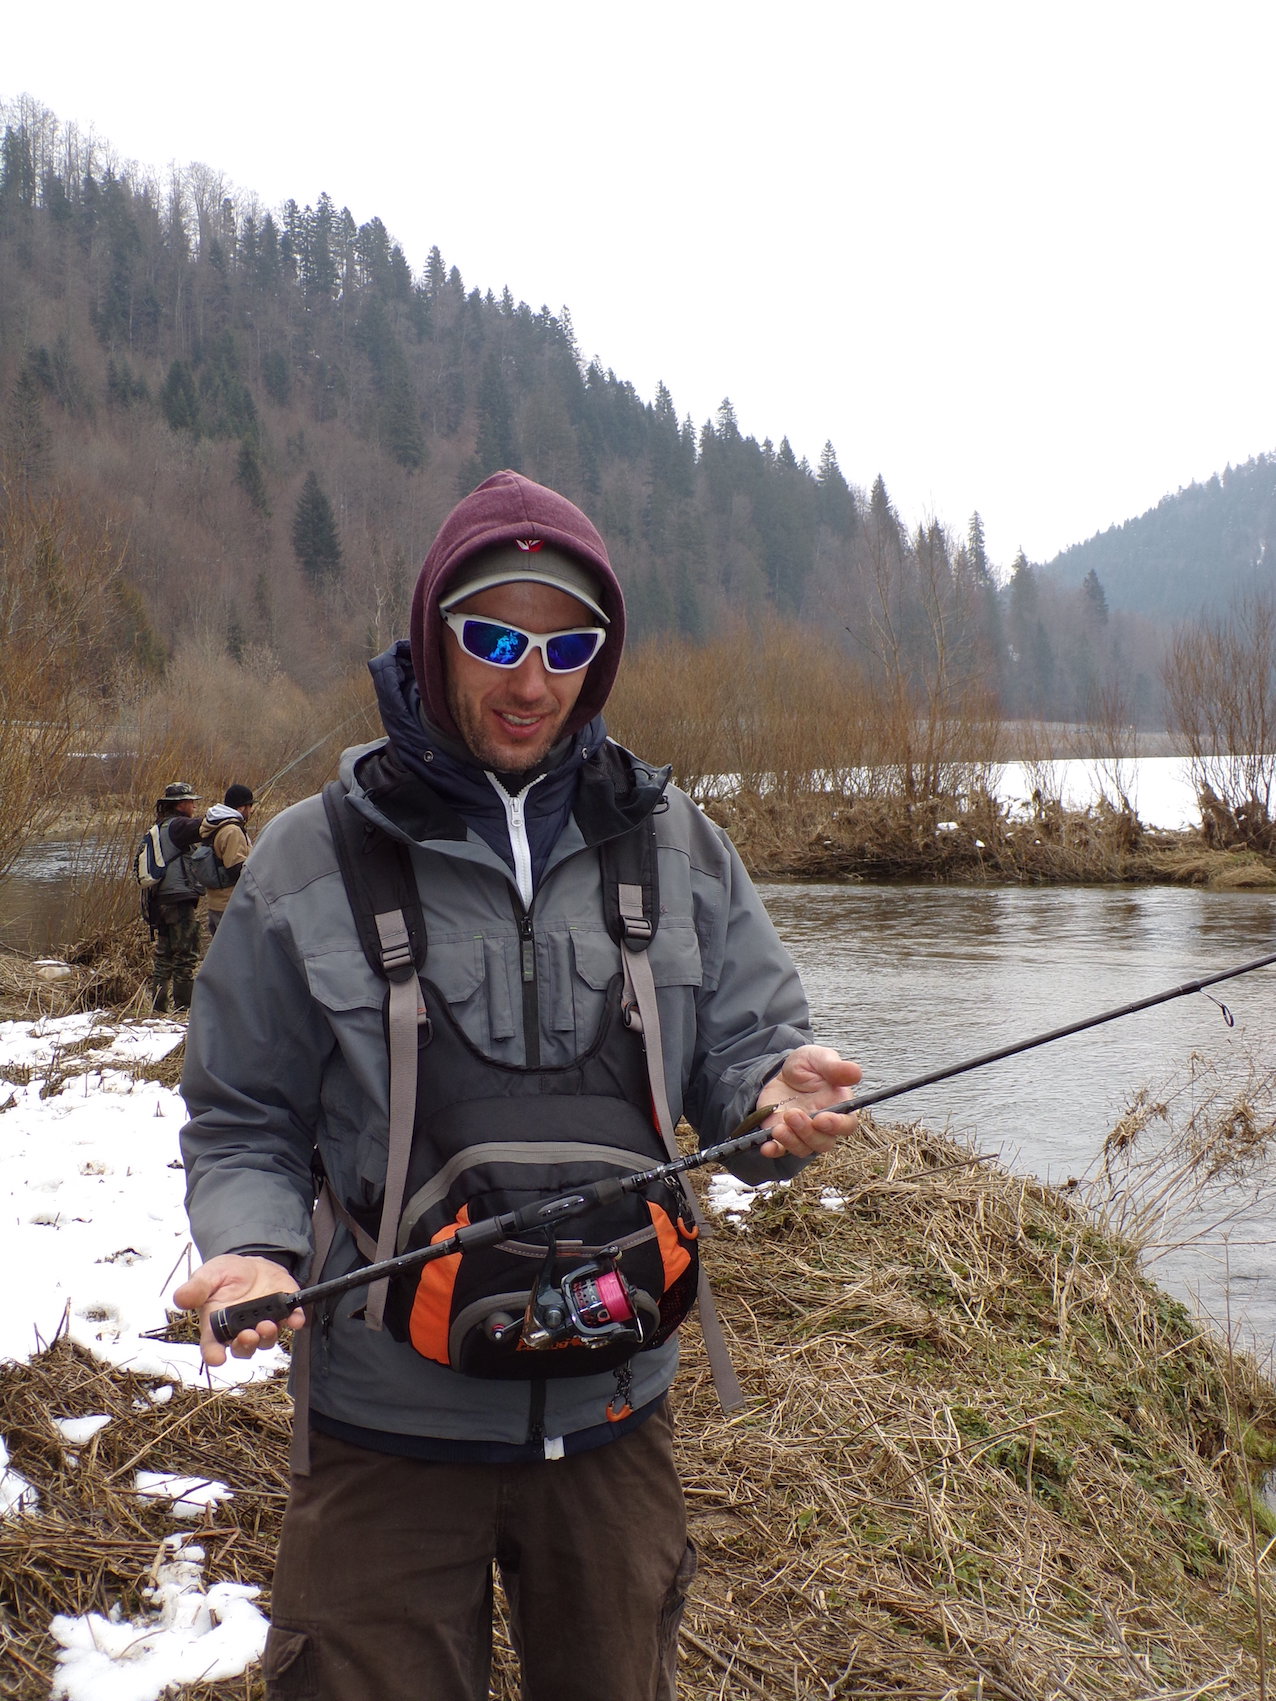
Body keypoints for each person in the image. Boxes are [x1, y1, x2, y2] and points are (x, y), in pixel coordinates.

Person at [175, 470, 862, 1701]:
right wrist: (251, 1250)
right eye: (494, 639)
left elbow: (745, 1055)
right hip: (385, 1432)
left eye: (565, 646)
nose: (530, 680)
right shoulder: (306, 858)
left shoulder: (677, 840)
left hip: (614, 1419)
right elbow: (244, 1115)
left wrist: (771, 1099)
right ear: (432, 635)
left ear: (601, 657)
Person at [147, 781, 204, 1013]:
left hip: (159, 900)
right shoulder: (179, 825)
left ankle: (158, 1009)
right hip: (178, 900)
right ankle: (184, 1009)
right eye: (191, 802)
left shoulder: (160, 826)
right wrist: (226, 815)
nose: (194, 806)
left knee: (164, 957)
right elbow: (204, 826)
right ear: (180, 805)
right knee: (186, 956)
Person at [197, 784, 255, 937]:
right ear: (242, 807)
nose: (251, 811)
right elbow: (235, 869)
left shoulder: (215, 825)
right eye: (250, 806)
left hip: (215, 904)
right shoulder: (232, 831)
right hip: (230, 906)